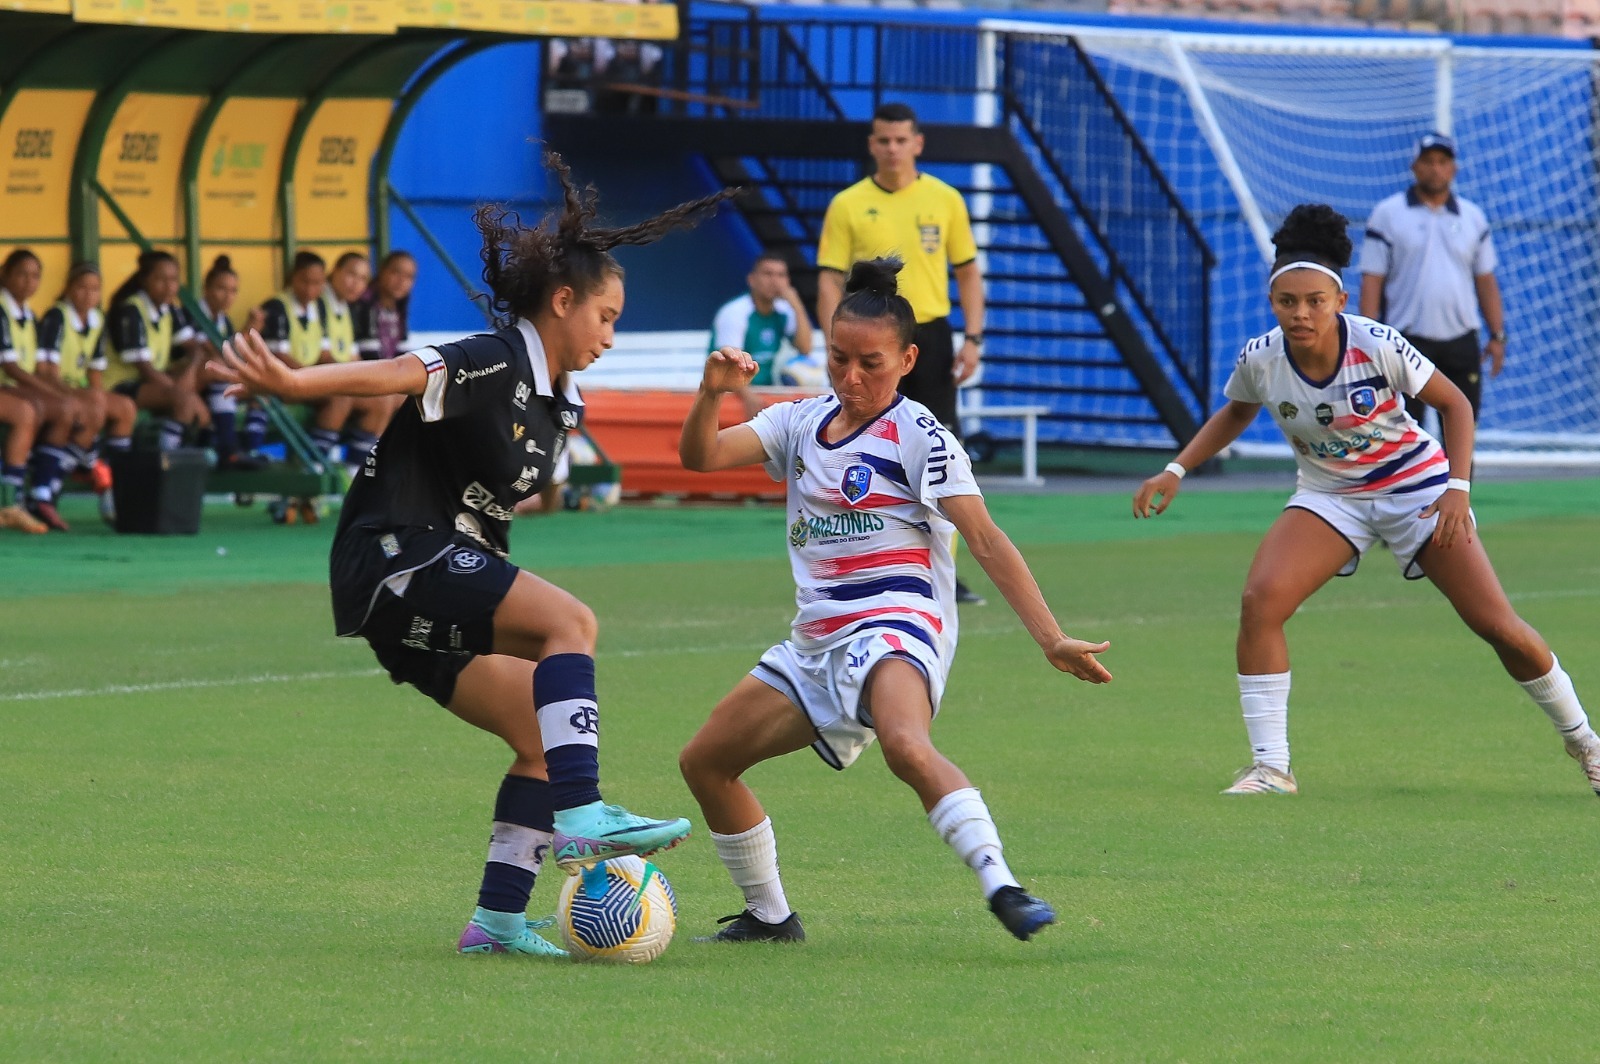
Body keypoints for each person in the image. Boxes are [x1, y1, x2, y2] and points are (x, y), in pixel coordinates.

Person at [211, 150, 736, 958]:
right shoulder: (493, 359)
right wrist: (294, 384)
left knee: (541, 734)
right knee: (572, 623)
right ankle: (584, 817)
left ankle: (496, 922)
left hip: (423, 585)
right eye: (605, 317)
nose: (610, 335)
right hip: (395, 557)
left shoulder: (558, 402)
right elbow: (398, 371)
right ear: (562, 302)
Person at [678, 258, 1112, 945]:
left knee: (906, 746)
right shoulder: (799, 420)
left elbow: (985, 538)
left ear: (907, 360)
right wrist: (711, 394)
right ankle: (769, 917)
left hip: (896, 626)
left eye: (870, 364)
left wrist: (1051, 637)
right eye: (838, 358)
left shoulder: (921, 436)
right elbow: (701, 457)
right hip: (816, 641)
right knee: (704, 762)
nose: (850, 377)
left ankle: (1003, 884)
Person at [1132, 204, 1598, 798]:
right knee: (1260, 602)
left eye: (1315, 301)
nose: (1301, 313)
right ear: (1272, 302)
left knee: (1498, 627)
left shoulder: (1377, 344)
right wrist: (1176, 468)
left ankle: (1585, 740)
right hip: (1331, 495)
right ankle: (1272, 768)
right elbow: (1238, 410)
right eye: (1287, 302)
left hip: (1417, 491)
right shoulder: (1261, 357)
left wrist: (1457, 490)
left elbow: (1455, 404)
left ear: (1340, 300)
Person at [816, 101, 988, 606]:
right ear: (872, 145)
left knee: (939, 454)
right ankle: (858, 560)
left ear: (917, 143)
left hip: (929, 336)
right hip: (869, 343)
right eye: (883, 140)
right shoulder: (847, 204)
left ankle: (943, 571)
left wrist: (973, 338)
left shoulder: (945, 199)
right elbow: (828, 278)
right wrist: (835, 344)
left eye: (900, 140)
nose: (892, 149)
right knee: (863, 448)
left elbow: (967, 272)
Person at [1360, 132, 1506, 429]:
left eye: (1442, 161)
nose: (1435, 168)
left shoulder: (1473, 217)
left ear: (1454, 168)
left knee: (1462, 431)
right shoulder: (1387, 215)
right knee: (1403, 435)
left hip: (1461, 340)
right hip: (1405, 340)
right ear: (1414, 166)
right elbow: (1372, 280)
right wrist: (1366, 339)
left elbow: (1485, 280)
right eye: (1428, 161)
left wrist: (1497, 335)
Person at [1, 248, 102, 531]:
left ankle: (41, 493)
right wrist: (55, 394)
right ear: (5, 275)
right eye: (21, 274)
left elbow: (31, 369)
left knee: (67, 409)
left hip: (12, 388)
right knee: (26, 411)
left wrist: (61, 398)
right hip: (8, 386)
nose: (29, 282)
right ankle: (10, 502)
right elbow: (11, 368)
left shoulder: (28, 315)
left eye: (35, 276)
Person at [36, 261, 137, 519]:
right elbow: (46, 371)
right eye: (82, 287)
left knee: (125, 408)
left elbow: (94, 372)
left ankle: (116, 482)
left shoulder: (97, 319)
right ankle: (67, 479)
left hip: (78, 389)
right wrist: (89, 400)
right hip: (53, 388)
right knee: (92, 406)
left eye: (95, 289)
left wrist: (97, 398)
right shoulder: (57, 316)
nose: (88, 294)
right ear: (69, 288)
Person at [105, 249, 212, 454]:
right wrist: (179, 392)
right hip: (122, 385)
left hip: (154, 381)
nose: (169, 286)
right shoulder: (130, 309)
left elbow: (196, 349)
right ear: (144, 280)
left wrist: (189, 373)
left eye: (173, 280)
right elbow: (144, 369)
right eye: (160, 279)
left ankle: (220, 449)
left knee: (211, 369)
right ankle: (167, 457)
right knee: (184, 401)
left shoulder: (170, 308)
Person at [709, 252, 814, 417]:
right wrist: (748, 396)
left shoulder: (783, 310)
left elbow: (805, 348)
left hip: (767, 389)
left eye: (781, 275)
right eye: (768, 274)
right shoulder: (735, 313)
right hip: (730, 390)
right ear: (752, 280)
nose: (775, 281)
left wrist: (796, 304)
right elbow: (727, 365)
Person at [192, 255, 266, 471]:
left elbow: (232, 355)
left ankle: (251, 451)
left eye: (233, 291)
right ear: (206, 289)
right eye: (221, 289)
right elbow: (217, 354)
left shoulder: (224, 319)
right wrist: (248, 331)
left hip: (211, 383)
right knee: (221, 373)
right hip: (190, 380)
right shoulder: (193, 313)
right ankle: (228, 450)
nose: (228, 296)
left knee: (261, 390)